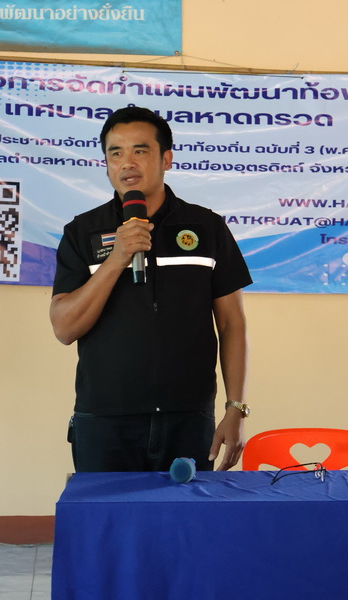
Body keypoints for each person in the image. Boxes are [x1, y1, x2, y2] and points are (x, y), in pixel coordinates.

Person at [50, 106, 252, 473]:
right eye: (115, 153)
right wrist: (117, 258)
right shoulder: (81, 232)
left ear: (166, 159)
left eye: (139, 150)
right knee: (106, 512)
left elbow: (232, 324)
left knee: (187, 512)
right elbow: (64, 328)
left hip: (188, 418)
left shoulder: (206, 227)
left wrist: (235, 408)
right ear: (107, 164)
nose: (127, 163)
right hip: (105, 420)